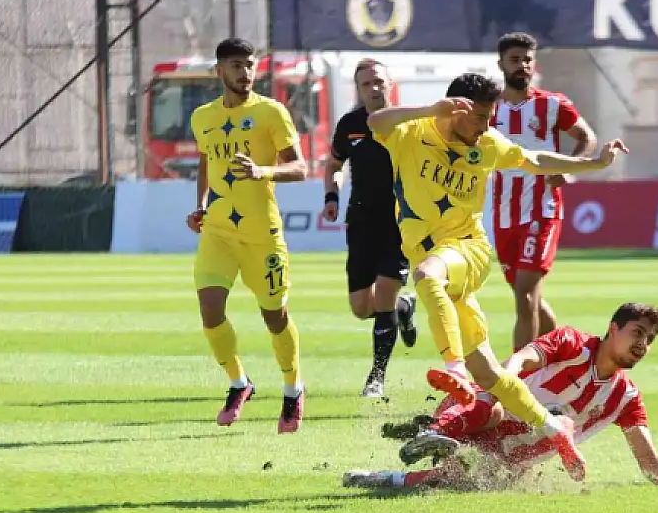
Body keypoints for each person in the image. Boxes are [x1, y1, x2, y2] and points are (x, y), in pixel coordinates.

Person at [367, 72, 629, 481]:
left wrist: (593, 163)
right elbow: (375, 122)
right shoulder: (411, 132)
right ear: (458, 108)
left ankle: (453, 368)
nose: (489, 126)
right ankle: (553, 427)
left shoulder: (486, 144)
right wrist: (429, 109)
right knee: (490, 373)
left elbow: (534, 160)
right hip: (438, 258)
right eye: (484, 116)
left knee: (426, 276)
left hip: (467, 251)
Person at [341, 302, 658, 492]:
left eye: (650, 340)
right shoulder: (571, 343)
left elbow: (644, 452)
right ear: (613, 329)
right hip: (481, 412)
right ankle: (438, 429)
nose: (643, 345)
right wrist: (501, 380)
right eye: (638, 333)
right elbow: (523, 358)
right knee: (497, 402)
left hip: (506, 462)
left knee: (456, 483)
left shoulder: (625, 397)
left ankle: (378, 478)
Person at [186, 38, 307, 432]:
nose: (245, 73)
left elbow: (301, 168)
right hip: (218, 231)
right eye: (236, 65)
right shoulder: (202, 117)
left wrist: (262, 171)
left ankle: (292, 388)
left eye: (250, 65)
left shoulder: (271, 112)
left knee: (275, 317)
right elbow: (207, 162)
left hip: (262, 235)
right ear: (219, 71)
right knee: (210, 311)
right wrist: (201, 205)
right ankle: (239, 383)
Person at [491, 32, 598, 352]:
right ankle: (577, 354)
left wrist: (569, 169)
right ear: (501, 64)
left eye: (527, 59)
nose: (522, 66)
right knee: (530, 300)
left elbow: (587, 138)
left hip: (542, 209)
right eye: (515, 60)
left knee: (525, 298)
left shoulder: (552, 104)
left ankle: (518, 385)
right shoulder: (488, 109)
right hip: (503, 215)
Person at [323, 59, 418, 398]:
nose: (374, 88)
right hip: (361, 222)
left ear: (389, 83)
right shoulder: (350, 124)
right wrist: (331, 193)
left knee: (385, 292)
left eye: (379, 82)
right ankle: (404, 308)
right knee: (362, 307)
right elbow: (334, 162)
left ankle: (376, 377)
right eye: (367, 84)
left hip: (400, 224)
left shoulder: (407, 123)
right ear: (358, 89)